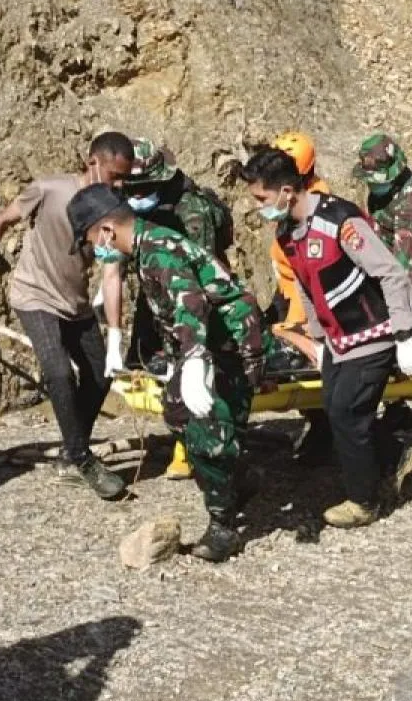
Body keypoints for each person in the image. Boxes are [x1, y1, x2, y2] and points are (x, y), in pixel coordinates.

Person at [67, 184, 267, 561]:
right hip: (203, 344)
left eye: (92, 241)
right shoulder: (146, 248)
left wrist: (194, 357)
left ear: (107, 232)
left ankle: (225, 526)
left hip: (231, 346)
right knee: (176, 411)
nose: (95, 251)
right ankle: (240, 473)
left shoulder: (159, 250)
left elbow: (189, 302)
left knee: (208, 431)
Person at [241, 148, 412, 529]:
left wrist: (405, 333)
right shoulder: (287, 231)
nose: (256, 206)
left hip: (372, 332)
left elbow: (391, 273)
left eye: (261, 198)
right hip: (339, 339)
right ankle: (395, 456)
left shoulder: (340, 221)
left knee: (347, 411)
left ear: (287, 191)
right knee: (334, 407)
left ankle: (364, 500)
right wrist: (318, 337)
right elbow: (306, 287)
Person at [0, 132, 135, 500]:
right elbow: (4, 219)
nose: (120, 184)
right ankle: (81, 460)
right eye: (115, 175)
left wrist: (115, 336)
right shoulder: (50, 190)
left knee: (99, 374)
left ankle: (71, 447)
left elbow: (113, 272)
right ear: (92, 162)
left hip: (75, 302)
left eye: (125, 177)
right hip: (34, 294)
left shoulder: (113, 205)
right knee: (59, 372)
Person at [98, 138, 235, 480]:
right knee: (148, 362)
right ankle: (183, 434)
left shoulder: (192, 210)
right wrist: (110, 320)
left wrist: (192, 348)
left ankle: (197, 449)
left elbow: (200, 280)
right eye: (132, 187)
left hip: (197, 297)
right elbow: (116, 258)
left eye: (143, 187)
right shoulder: (130, 200)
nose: (136, 193)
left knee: (194, 371)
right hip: (157, 294)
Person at [351, 133, 412, 456]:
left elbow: (409, 265)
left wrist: (396, 309)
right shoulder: (382, 190)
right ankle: (397, 411)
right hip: (387, 279)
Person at [267, 132, 333, 462]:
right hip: (290, 293)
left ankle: (326, 433)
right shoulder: (291, 201)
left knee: (307, 368)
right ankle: (321, 430)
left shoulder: (314, 209)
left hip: (305, 299)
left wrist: (298, 324)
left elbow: (311, 272)